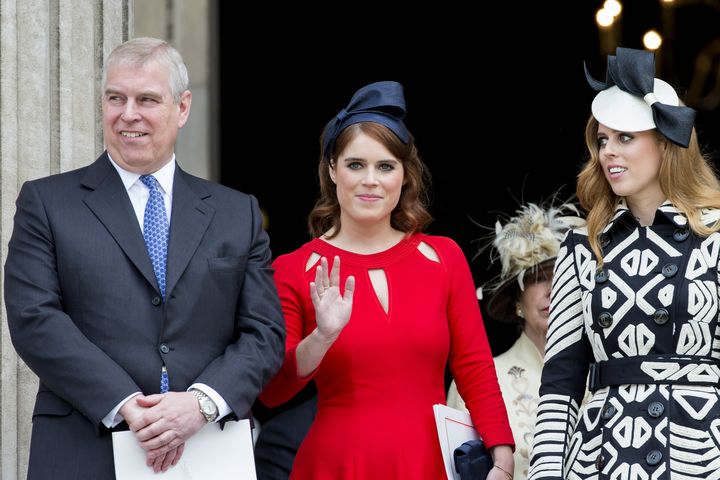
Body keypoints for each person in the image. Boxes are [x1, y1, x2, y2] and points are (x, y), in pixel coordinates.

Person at [3, 37, 285, 479]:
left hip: (207, 449)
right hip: (84, 448)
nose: (128, 114)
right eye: (116, 98)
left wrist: (201, 403)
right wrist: (129, 406)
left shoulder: (237, 213)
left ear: (183, 107)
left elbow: (265, 333)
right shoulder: (46, 202)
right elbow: (34, 318)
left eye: (147, 99)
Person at [259, 80, 515, 479]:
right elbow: (273, 393)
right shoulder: (296, 268)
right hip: (337, 465)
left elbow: (474, 366)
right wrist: (321, 337)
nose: (370, 180)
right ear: (332, 170)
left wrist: (502, 454)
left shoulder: (443, 257)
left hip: (429, 463)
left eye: (385, 166)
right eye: (355, 165)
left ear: (404, 175)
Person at [527, 46, 720, 479]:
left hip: (699, 456)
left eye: (625, 137)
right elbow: (560, 380)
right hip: (602, 458)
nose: (608, 152)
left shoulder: (716, 235)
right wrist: (544, 474)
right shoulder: (584, 245)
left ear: (666, 141)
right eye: (602, 139)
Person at [447, 201, 585, 480]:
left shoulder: (609, 371)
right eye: (537, 278)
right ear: (517, 300)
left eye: (563, 275)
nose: (552, 289)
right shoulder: (478, 382)